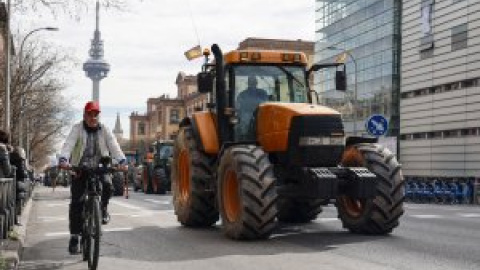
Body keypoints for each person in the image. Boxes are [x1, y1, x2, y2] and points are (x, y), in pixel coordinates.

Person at [59, 101, 127, 254]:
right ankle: (75, 237)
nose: (93, 117)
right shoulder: (77, 128)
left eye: (95, 114)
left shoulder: (105, 130)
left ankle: (102, 209)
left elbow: (114, 146)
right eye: (90, 114)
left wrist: (122, 161)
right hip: (79, 168)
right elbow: (68, 144)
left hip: (100, 166)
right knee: (77, 202)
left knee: (108, 186)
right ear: (84, 115)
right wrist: (64, 159)